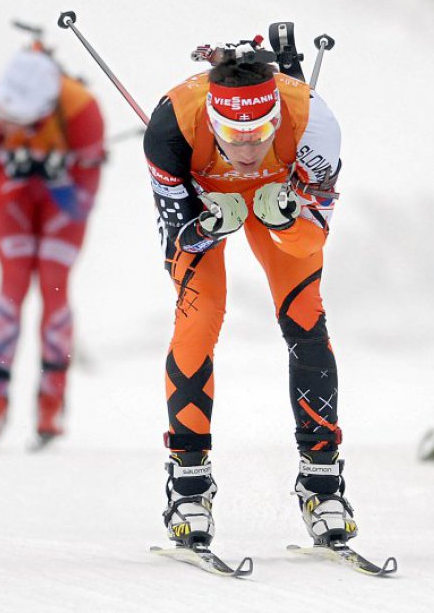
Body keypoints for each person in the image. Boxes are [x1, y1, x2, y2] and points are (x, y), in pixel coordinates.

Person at [143, 38, 355, 548]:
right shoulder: (171, 127)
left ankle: (321, 485)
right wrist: (207, 227)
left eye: (260, 133)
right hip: (204, 201)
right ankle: (189, 488)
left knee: (305, 317)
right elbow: (178, 238)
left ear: (277, 118)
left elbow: (312, 239)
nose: (246, 150)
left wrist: (285, 218)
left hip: (279, 195)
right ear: (211, 121)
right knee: (197, 323)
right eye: (231, 136)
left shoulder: (314, 121)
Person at [0, 48, 105, 445]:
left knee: (54, 283)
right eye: (1, 113)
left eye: (16, 121)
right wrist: (13, 177)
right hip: (14, 204)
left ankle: (51, 401)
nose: (2, 123)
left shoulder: (82, 111)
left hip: (59, 206)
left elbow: (81, 206)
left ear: (43, 112)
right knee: (13, 282)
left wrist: (58, 178)